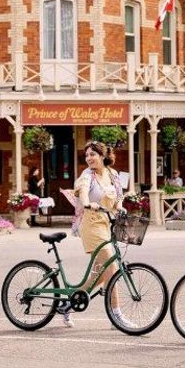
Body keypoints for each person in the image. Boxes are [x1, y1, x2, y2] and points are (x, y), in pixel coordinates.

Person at [70, 140, 130, 329]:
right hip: (91, 225)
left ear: (103, 156)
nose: (89, 158)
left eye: (92, 154)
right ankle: (116, 315)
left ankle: (66, 305)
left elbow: (119, 196)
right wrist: (88, 203)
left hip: (107, 225)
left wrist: (120, 208)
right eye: (87, 155)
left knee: (98, 275)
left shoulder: (113, 175)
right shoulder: (87, 175)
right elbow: (84, 194)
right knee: (111, 267)